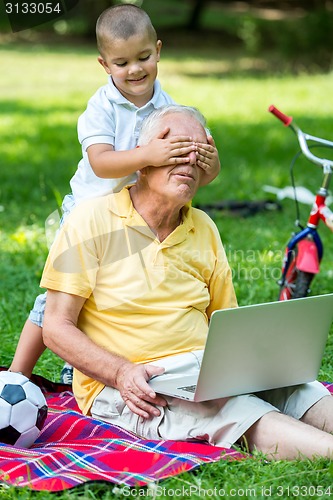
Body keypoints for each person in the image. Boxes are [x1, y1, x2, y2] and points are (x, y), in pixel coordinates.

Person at [41, 105, 333, 460]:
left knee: (299, 389)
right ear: (144, 159)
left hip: (201, 370)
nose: (190, 160)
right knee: (232, 410)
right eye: (177, 149)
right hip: (133, 385)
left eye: (200, 153)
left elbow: (226, 320)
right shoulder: (90, 220)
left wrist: (254, 366)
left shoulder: (204, 226)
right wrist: (121, 372)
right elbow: (55, 326)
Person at [9, 4, 220, 383]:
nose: (135, 69)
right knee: (57, 299)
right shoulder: (100, 108)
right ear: (105, 65)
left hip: (137, 213)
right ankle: (14, 378)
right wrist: (149, 154)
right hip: (88, 214)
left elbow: (201, 176)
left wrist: (209, 160)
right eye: (122, 63)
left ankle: (84, 364)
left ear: (158, 50)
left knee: (115, 293)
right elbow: (101, 164)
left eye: (143, 57)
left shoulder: (170, 109)